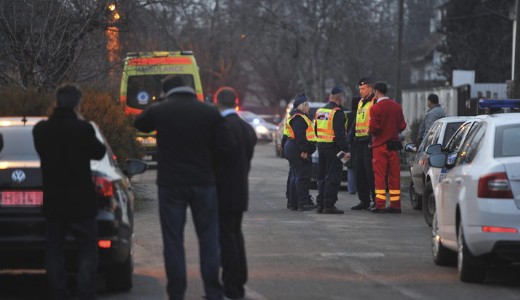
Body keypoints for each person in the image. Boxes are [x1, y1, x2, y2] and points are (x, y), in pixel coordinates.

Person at [134, 75, 233, 300]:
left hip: (171, 184)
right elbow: (227, 146)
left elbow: (139, 123)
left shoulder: (160, 110)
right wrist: (211, 166)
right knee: (208, 239)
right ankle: (213, 291)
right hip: (204, 183)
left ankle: (176, 293)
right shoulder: (208, 111)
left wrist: (158, 103)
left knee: (173, 241)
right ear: (189, 89)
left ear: (166, 92)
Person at [33, 83, 106, 300]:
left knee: (54, 249)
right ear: (77, 104)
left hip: (54, 200)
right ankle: (85, 291)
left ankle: (58, 291)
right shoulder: (83, 129)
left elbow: (42, 151)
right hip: (81, 201)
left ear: (56, 102)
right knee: (87, 249)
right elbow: (99, 152)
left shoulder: (41, 130)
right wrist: (82, 123)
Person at [214, 88, 257, 299]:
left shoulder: (221, 127)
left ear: (217, 102)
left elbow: (216, 161)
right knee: (236, 236)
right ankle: (238, 281)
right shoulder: (246, 128)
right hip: (240, 188)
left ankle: (231, 284)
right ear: (236, 102)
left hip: (223, 191)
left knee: (227, 239)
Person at [368, 82, 407, 213]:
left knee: (380, 175)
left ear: (376, 91)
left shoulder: (375, 108)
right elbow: (402, 126)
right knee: (394, 175)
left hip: (380, 146)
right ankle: (396, 204)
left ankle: (380, 204)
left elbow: (374, 128)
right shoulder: (397, 106)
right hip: (393, 146)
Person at [314, 87, 349, 214]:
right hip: (333, 149)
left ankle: (320, 204)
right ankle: (329, 205)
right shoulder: (337, 112)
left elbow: (316, 130)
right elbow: (340, 134)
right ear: (340, 99)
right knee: (333, 177)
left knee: (322, 176)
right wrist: (346, 149)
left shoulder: (320, 111)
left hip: (321, 147)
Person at [283, 94, 317, 211]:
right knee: (301, 176)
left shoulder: (294, 116)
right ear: (303, 106)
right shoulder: (299, 118)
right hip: (297, 148)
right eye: (307, 106)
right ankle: (302, 203)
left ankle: (294, 203)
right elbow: (300, 136)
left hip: (292, 147)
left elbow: (287, 135)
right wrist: (304, 150)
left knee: (294, 176)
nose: (309, 108)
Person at [350, 78, 377, 211]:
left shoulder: (374, 101)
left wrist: (372, 140)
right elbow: (356, 121)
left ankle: (375, 200)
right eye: (360, 89)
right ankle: (364, 200)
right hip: (359, 142)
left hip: (369, 142)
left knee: (370, 173)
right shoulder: (361, 102)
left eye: (364, 88)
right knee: (360, 173)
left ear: (370, 89)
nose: (361, 91)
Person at [346, 97, 361, 195]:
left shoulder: (347, 116)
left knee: (350, 167)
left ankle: (351, 189)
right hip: (360, 143)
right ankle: (360, 188)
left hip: (350, 144)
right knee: (360, 167)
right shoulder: (361, 115)